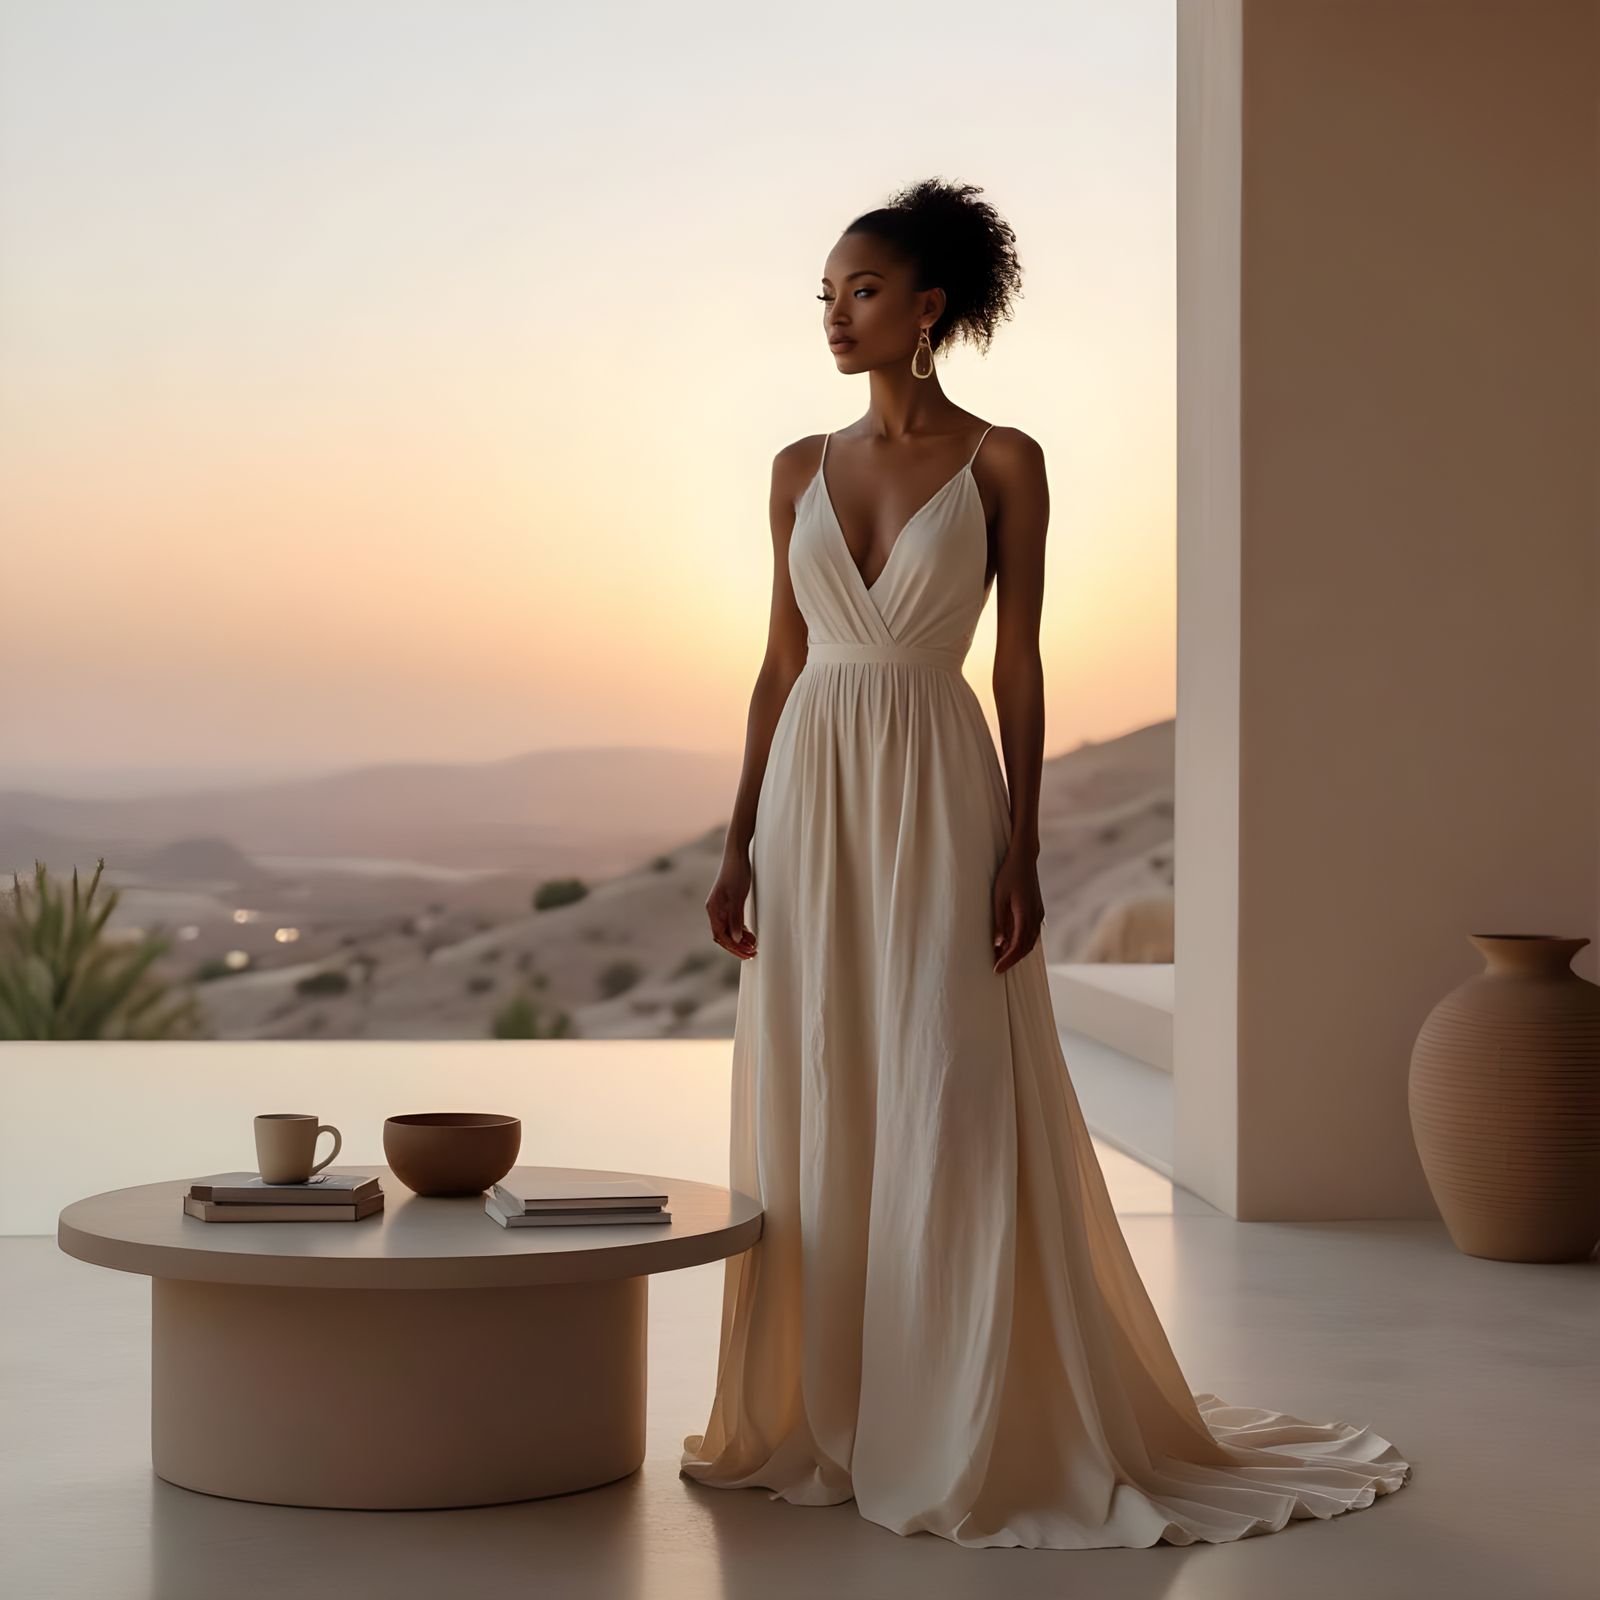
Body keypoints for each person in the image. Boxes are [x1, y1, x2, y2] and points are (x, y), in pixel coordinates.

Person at [679, 177, 1410, 1548]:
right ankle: (828, 1408)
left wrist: (1022, 843)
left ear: (930, 307)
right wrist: (736, 843)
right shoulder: (795, 466)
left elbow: (1017, 668)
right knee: (823, 1076)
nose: (835, 315)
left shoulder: (1003, 459)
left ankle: (959, 1408)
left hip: (938, 779)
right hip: (814, 787)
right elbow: (777, 669)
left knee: (948, 1085)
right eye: (824, 294)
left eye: (863, 290)